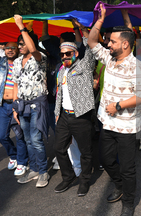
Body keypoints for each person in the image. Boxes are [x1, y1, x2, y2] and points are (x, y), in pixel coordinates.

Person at [87, 5, 141, 216]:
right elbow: (91, 42)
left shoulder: (137, 67)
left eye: (112, 41)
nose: (108, 44)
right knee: (106, 160)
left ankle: (128, 203)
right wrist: (101, 19)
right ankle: (120, 185)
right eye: (109, 40)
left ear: (125, 44)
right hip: (107, 122)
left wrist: (119, 105)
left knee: (128, 168)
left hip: (127, 126)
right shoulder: (109, 58)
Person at [0, 26, 28, 176]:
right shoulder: (1, 61)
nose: (9, 50)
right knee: (1, 136)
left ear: (17, 49)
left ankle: (22, 161)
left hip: (18, 105)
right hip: (3, 106)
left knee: (20, 135)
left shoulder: (23, 63)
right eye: (7, 48)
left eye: (13, 48)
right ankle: (14, 155)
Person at [53, 39, 95, 197]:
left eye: (68, 53)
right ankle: (68, 176)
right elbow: (60, 94)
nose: (64, 56)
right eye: (62, 54)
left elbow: (90, 51)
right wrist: (57, 113)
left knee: (86, 151)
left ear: (76, 54)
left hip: (81, 116)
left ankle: (84, 181)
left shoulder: (84, 66)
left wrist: (85, 34)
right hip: (64, 116)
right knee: (58, 148)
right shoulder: (62, 71)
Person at [12, 15, 49, 188]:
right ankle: (33, 169)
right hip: (22, 105)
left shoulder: (39, 57)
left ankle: (43, 172)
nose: (19, 46)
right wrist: (14, 107)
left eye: (22, 43)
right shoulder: (17, 61)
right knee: (27, 139)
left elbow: (33, 48)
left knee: (36, 139)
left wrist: (21, 26)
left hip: (37, 104)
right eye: (18, 43)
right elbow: (15, 85)